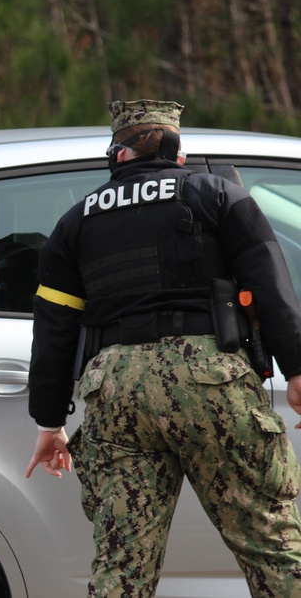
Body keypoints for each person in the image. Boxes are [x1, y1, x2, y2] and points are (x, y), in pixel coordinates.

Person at [25, 99, 301, 597]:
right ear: (177, 151)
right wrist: (298, 368)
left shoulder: (76, 221)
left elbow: (53, 331)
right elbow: (269, 283)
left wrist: (49, 422)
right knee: (272, 549)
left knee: (121, 568)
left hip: (117, 392)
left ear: (118, 155)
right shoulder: (219, 195)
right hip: (210, 382)